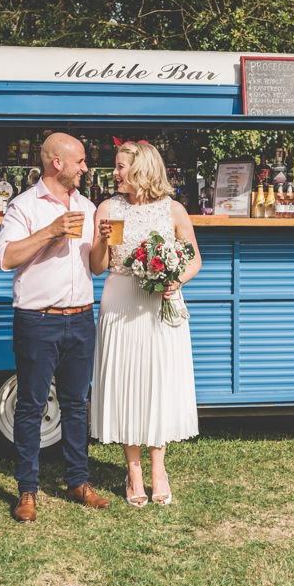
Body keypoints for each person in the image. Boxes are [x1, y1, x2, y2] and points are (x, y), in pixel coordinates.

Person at [0, 132, 110, 523]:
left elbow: (95, 267)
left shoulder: (88, 205)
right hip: (38, 321)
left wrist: (104, 243)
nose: (85, 167)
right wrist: (51, 231)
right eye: (79, 160)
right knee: (31, 406)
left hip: (81, 318)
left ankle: (79, 481)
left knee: (77, 405)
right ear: (56, 163)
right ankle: (27, 490)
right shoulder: (24, 206)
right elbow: (6, 258)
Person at [90, 141, 201, 507]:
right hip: (121, 298)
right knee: (126, 382)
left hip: (161, 304)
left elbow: (194, 259)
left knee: (159, 382)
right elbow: (100, 264)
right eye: (116, 166)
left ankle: (159, 469)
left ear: (143, 170)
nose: (115, 173)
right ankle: (133, 470)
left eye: (121, 167)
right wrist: (104, 241)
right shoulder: (109, 208)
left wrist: (177, 279)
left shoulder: (173, 210)